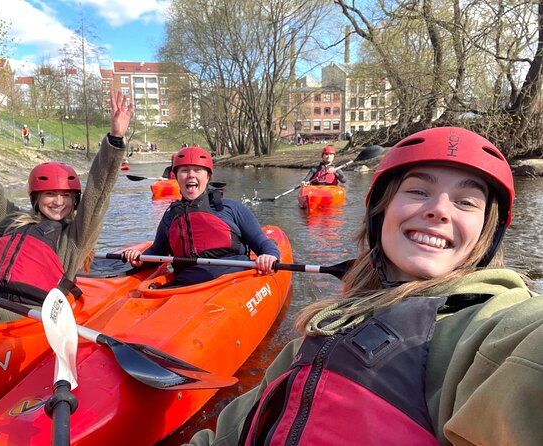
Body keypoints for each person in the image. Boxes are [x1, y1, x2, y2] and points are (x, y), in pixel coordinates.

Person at [184, 127, 543, 446]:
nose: (440, 210)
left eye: (466, 202)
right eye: (418, 191)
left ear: (487, 233)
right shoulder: (319, 332)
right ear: (380, 213)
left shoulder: (494, 332)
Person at [0, 77, 132, 321]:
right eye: (50, 194)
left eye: (66, 196)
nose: (58, 202)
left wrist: (115, 139)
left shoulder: (74, 239)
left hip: (28, 324)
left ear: (75, 201)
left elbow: (99, 190)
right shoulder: (6, 220)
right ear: (35, 198)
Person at [123, 145, 279, 286]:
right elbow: (157, 253)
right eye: (184, 170)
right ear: (176, 177)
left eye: (197, 170)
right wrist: (140, 259)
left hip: (235, 282)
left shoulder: (231, 209)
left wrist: (270, 256)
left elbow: (261, 243)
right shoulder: (170, 217)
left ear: (208, 176)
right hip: (189, 288)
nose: (191, 175)